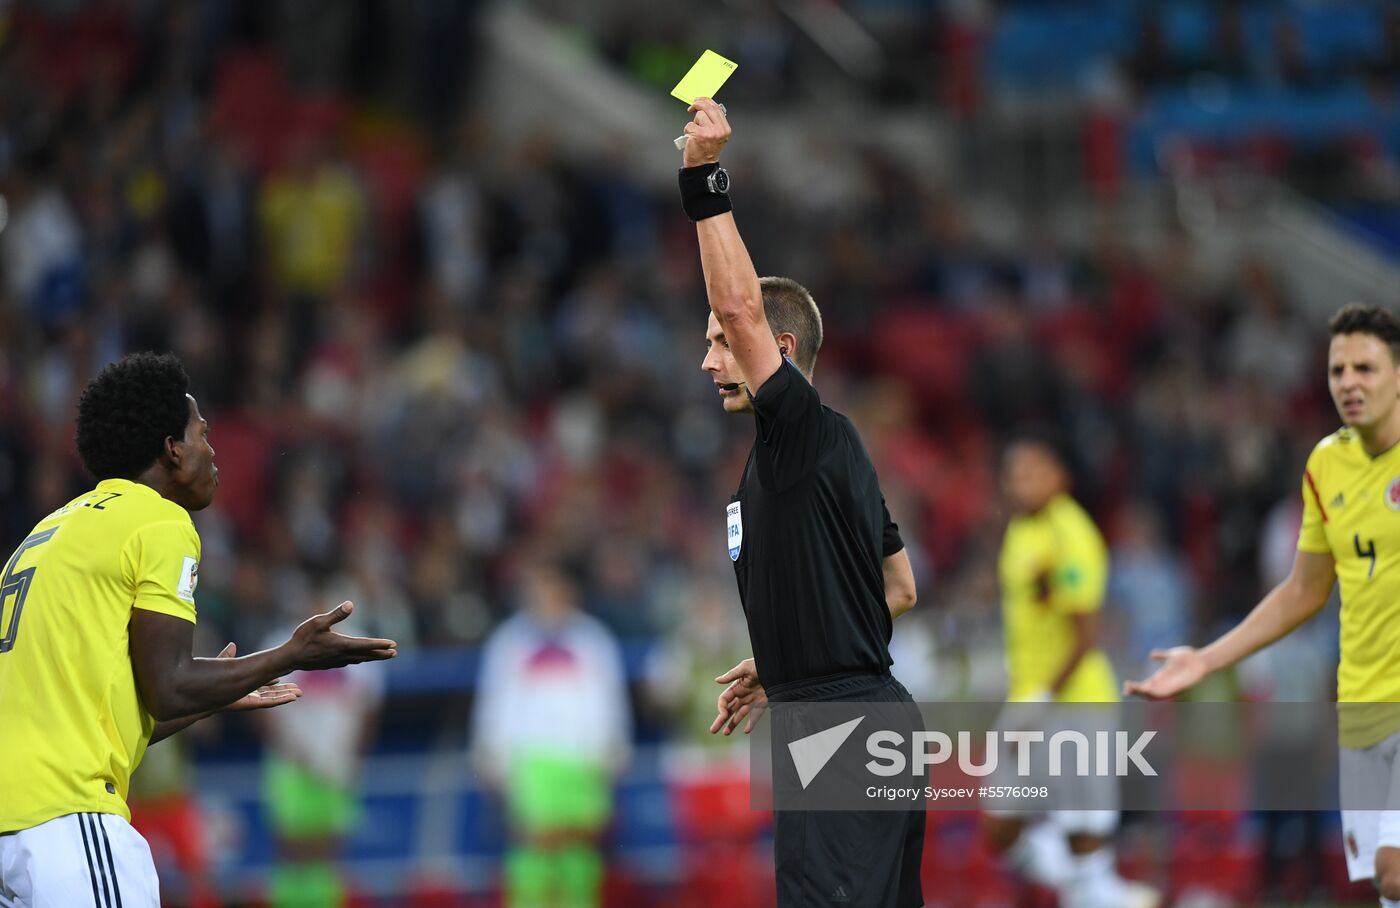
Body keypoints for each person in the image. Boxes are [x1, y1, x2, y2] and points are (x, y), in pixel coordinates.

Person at [0, 352, 398, 907]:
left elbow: (110, 712)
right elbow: (170, 686)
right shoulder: (158, 521)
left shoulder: (48, 532)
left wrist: (219, 691)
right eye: (203, 434)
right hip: (68, 819)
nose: (213, 452)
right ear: (171, 448)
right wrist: (291, 653)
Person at [682, 97, 923, 907]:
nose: (709, 354)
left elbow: (742, 303)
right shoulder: (826, 451)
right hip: (855, 715)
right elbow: (900, 589)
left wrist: (701, 177)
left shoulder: (799, 432)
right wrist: (792, 657)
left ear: (779, 352)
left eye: (719, 341)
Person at [1125, 304, 1400, 907]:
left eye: (1367, 368)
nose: (1349, 382)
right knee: (1388, 881)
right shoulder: (1328, 464)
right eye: (1337, 370)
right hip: (1366, 700)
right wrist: (1208, 659)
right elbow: (1303, 590)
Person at [983, 435, 1160, 908]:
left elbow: (1087, 635)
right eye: (1014, 473)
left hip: (1075, 700)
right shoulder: (1022, 529)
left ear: (1060, 477)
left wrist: (1041, 700)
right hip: (1029, 694)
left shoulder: (1072, 534)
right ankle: (1092, 890)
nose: (1021, 483)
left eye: (1033, 472)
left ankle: (1094, 891)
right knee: (998, 822)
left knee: (1084, 827)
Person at [471, 560, 631, 908]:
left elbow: (609, 701)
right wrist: (492, 760)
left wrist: (612, 752)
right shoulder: (509, 642)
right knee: (533, 847)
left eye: (554, 589)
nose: (547, 597)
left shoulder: (593, 640)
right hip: (530, 762)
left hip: (583, 760)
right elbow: (494, 704)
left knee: (579, 852)